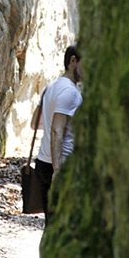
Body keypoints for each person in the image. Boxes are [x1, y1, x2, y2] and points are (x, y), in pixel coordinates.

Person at [32, 45, 83, 223]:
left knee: (52, 225)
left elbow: (34, 124)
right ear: (73, 61)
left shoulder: (50, 87)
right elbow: (56, 130)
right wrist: (58, 170)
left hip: (43, 162)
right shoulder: (70, 93)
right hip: (61, 166)